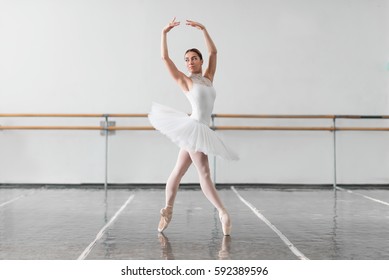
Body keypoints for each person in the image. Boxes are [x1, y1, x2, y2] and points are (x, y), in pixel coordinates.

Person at [148, 18, 238, 236]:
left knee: (178, 172)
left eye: (194, 58)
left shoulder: (208, 79)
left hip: (201, 128)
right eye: (187, 60)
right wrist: (164, 33)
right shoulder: (185, 81)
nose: (190, 62)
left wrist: (204, 30)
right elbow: (164, 58)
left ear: (200, 61)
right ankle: (223, 212)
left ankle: (168, 210)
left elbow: (214, 54)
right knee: (204, 173)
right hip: (194, 128)